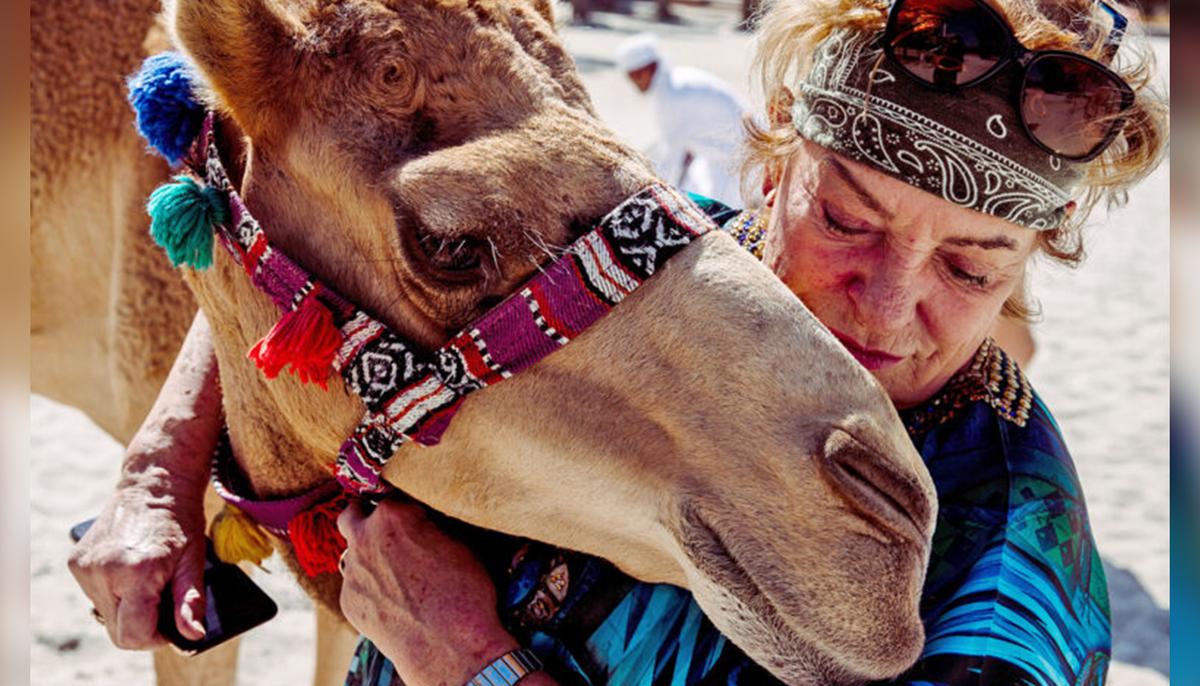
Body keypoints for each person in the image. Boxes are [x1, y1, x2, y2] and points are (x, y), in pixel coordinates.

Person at [70, 0, 1168, 683]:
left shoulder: (1015, 564)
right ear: (770, 172)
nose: (883, 308)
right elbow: (337, 245)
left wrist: (469, 664)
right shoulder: (669, 252)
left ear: (1027, 271)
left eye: (973, 266)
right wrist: (162, 464)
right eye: (845, 219)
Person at [616, 33, 750, 208]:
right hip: (715, 157)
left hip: (737, 161)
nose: (635, 84)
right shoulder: (676, 81)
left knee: (714, 215)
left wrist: (655, 201)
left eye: (636, 76)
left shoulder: (672, 93)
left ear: (649, 69)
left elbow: (672, 156)